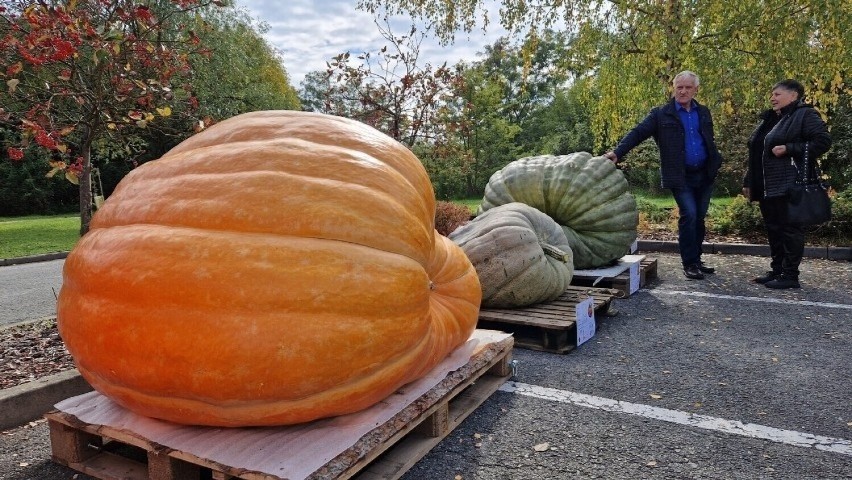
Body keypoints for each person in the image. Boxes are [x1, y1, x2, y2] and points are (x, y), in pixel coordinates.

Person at [604, 71, 723, 280]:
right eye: (679, 87)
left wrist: (716, 160)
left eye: (687, 87)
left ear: (696, 89)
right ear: (674, 88)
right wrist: (617, 152)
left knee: (700, 218)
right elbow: (638, 132)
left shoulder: (703, 111)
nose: (683, 91)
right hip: (680, 175)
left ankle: (697, 259)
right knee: (690, 215)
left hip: (704, 173)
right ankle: (689, 264)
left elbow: (707, 140)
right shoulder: (661, 114)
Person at [742, 79, 832, 289]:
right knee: (773, 228)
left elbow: (823, 141)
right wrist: (749, 180)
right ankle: (777, 270)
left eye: (778, 94)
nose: (772, 98)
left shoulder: (804, 115)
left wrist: (790, 148)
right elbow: (756, 151)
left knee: (790, 228)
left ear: (793, 96)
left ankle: (790, 275)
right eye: (772, 94)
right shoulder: (771, 118)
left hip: (790, 182)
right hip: (766, 184)